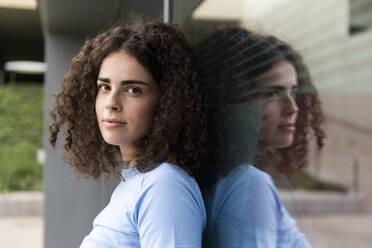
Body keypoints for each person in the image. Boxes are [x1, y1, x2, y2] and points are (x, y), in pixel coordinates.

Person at [49, 19, 206, 248]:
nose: (111, 103)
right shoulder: (136, 182)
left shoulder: (164, 186)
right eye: (105, 87)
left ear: (167, 102)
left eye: (133, 90)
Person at [196, 26, 325, 247]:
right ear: (232, 102)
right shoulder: (247, 184)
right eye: (273, 94)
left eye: (293, 91)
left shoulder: (217, 177)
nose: (292, 107)